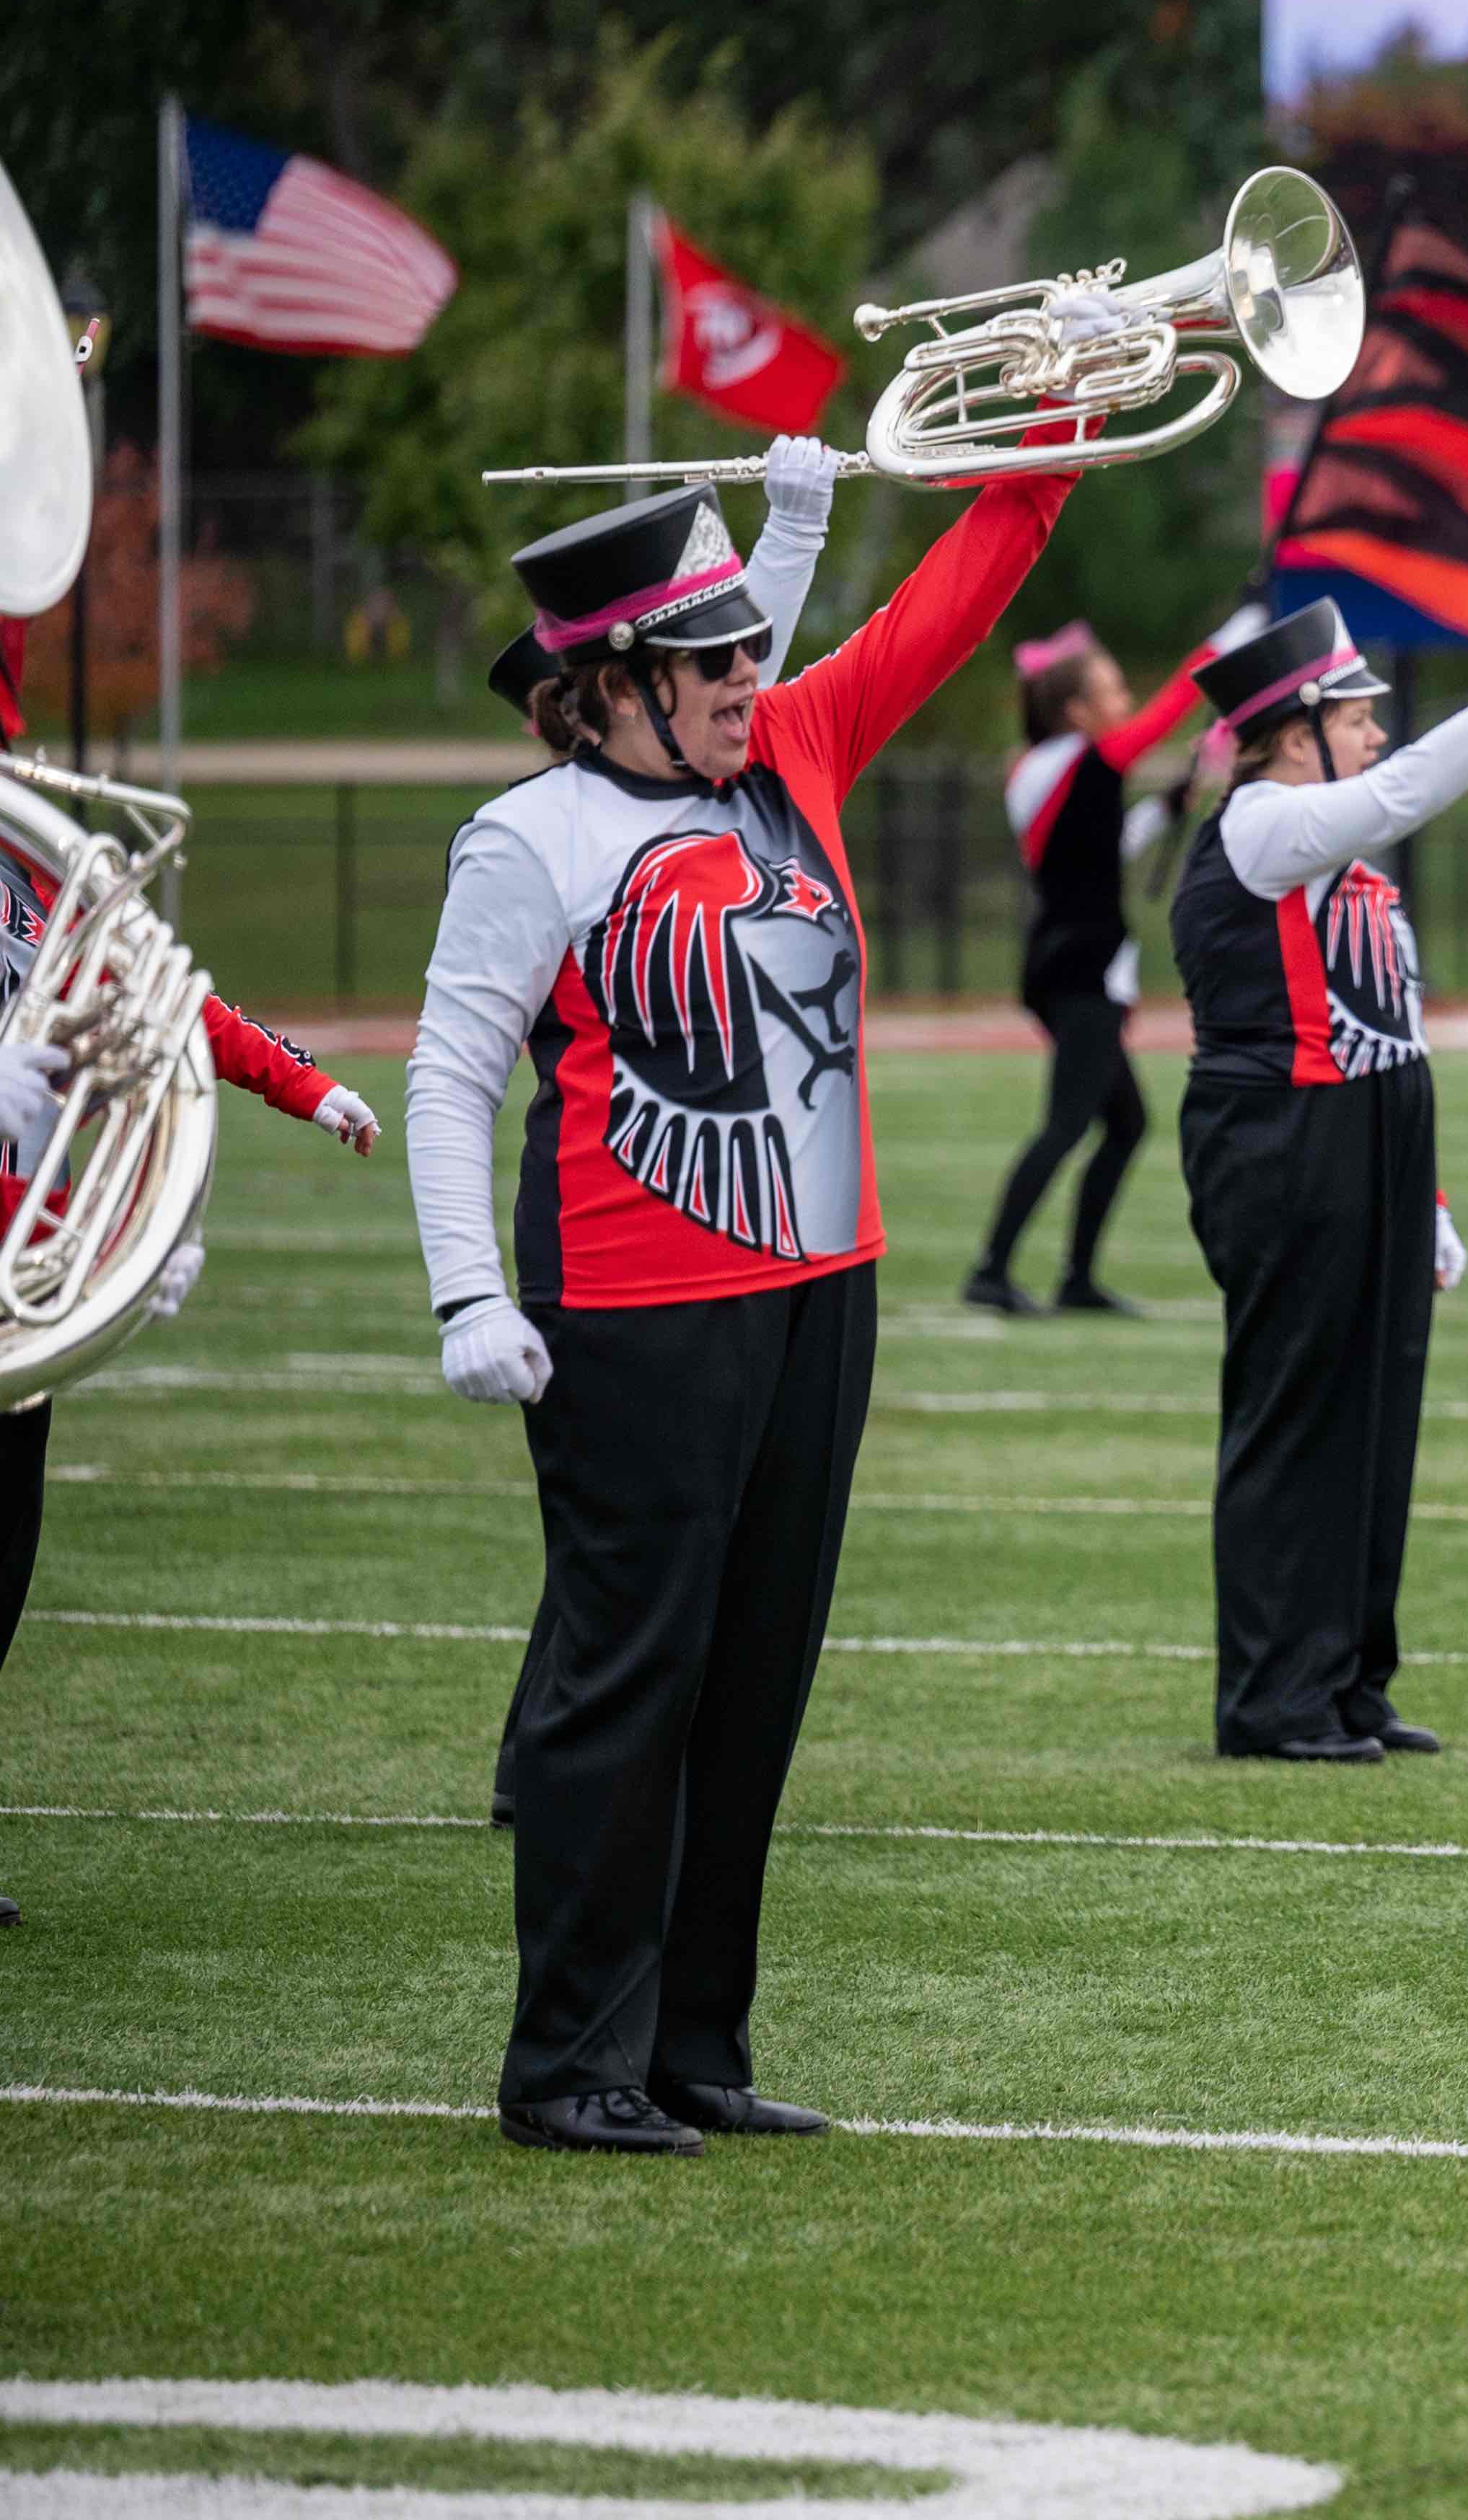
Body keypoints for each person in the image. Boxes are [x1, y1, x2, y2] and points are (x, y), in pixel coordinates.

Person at [405, 415, 1078, 2154]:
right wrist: (468, 1291)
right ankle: (569, 2056)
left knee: (758, 1676)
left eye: (745, 650)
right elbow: (450, 1073)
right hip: (629, 1311)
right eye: (708, 656)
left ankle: (693, 2039)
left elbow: (951, 603)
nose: (743, 673)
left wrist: (1049, 443)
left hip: (818, 1287)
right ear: (609, 682)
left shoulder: (791, 749)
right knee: (627, 1678)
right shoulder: (528, 838)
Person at [1171, 594, 1468, 1766]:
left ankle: (1347, 1676)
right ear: (1294, 727)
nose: (1374, 731)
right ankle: (1269, 1696)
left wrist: (1431, 1199)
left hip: (1372, 1142)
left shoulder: (1331, 847)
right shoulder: (1262, 822)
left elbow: (1386, 1019)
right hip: (1284, 1141)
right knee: (1296, 1418)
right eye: (1355, 713)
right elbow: (1407, 789)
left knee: (1374, 1422)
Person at [0, 879, 372, 1932]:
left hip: (17, 1293)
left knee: (3, 1570)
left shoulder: (26, 874)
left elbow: (166, 1004)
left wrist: (300, 1085)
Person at [964, 619, 1208, 1318]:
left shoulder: (1063, 767)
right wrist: (1234, 635)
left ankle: (1074, 1278)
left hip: (1074, 964)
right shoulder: (1074, 761)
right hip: (1078, 968)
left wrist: (1164, 809)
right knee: (1068, 1124)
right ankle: (991, 1268)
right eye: (1111, 688)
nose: (1126, 698)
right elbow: (1169, 711)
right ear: (1076, 710)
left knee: (1124, 1124)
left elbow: (1100, 847)